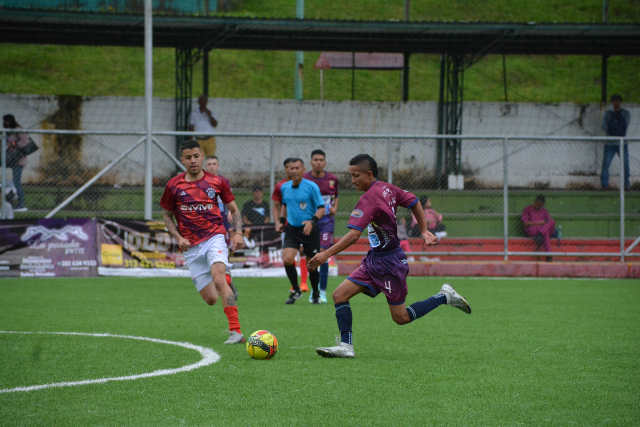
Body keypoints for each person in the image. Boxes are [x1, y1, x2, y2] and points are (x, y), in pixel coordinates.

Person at [308, 154, 471, 358]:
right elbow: (414, 201)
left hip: (390, 263)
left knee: (401, 318)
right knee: (339, 295)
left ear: (369, 174)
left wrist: (326, 254)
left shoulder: (368, 199)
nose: (352, 180)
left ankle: (444, 296)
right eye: (351, 175)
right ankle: (346, 346)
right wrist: (423, 230)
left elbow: (353, 235)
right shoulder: (387, 188)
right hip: (375, 259)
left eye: (356, 175)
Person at [160, 140, 246, 344]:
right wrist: (179, 238)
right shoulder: (173, 185)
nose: (193, 161)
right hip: (191, 246)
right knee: (211, 299)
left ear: (202, 157)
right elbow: (166, 216)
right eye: (188, 157)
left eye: (196, 156)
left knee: (217, 279)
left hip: (214, 237)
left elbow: (234, 210)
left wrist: (238, 232)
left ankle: (236, 332)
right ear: (182, 160)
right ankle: (228, 280)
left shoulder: (217, 182)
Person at [274, 158, 325, 304]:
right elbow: (284, 206)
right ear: (287, 170)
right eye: (291, 168)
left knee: (312, 266)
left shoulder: (311, 186)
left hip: (310, 230)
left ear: (303, 170)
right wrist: (282, 222)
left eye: (297, 168)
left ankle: (315, 293)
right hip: (292, 229)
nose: (294, 171)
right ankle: (296, 290)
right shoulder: (285, 187)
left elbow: (322, 208)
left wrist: (312, 222)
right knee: (287, 259)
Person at [302, 149, 340, 303]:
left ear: (325, 162)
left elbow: (335, 196)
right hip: (310, 221)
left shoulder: (332, 179)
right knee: (311, 255)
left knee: (323, 254)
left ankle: (322, 291)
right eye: (315, 160)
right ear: (311, 162)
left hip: (326, 221)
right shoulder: (304, 179)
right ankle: (314, 289)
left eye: (321, 160)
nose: (318, 162)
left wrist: (335, 207)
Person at [272, 158, 308, 293]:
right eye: (288, 167)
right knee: (288, 256)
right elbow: (276, 205)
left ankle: (304, 283)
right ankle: (295, 285)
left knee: (304, 251)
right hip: (287, 226)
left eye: (294, 167)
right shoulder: (280, 186)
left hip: (303, 225)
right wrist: (277, 222)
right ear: (285, 169)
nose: (291, 170)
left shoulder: (306, 185)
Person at [600, 94, 631, 190]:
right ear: (612, 103)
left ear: (620, 102)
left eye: (618, 101)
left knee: (625, 164)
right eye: (614, 101)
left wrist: (613, 125)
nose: (616, 103)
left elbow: (625, 125)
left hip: (622, 143)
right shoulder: (607, 114)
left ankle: (626, 185)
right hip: (610, 143)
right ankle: (604, 185)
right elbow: (603, 126)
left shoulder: (625, 113)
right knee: (606, 164)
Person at [205, 156, 235, 244]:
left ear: (218, 166)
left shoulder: (224, 180)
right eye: (209, 164)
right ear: (205, 167)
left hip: (222, 215)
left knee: (225, 242)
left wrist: (231, 211)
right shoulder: (202, 181)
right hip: (207, 215)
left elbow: (229, 198)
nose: (212, 166)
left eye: (214, 164)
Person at [2, 114, 28, 212]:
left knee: (16, 181)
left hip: (18, 160)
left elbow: (25, 142)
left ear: (9, 121)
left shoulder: (17, 129)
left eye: (5, 121)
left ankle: (22, 204)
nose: (4, 123)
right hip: (10, 159)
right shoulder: (9, 131)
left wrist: (13, 144)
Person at [521, 194, 558, 262]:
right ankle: (549, 255)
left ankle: (540, 233)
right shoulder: (527, 209)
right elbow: (525, 223)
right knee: (545, 233)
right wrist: (538, 223)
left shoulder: (544, 211)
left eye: (541, 205)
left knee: (552, 222)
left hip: (542, 230)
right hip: (533, 229)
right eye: (538, 204)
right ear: (535, 202)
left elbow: (549, 222)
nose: (539, 207)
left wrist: (543, 226)